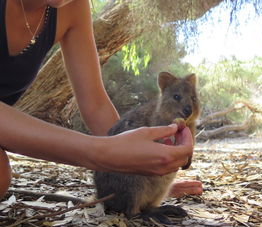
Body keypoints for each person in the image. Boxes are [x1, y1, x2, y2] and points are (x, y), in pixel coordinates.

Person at [0, 0, 202, 200]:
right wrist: (99, 153)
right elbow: (101, 150)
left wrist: (142, 179)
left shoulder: (73, 6)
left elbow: (95, 104)